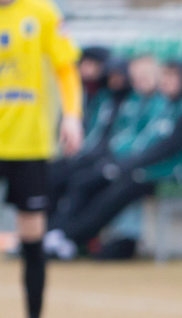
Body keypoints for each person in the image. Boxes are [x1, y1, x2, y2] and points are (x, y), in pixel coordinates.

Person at [0, 0, 82, 318]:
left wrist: (71, 115)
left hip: (29, 145)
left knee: (32, 238)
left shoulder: (42, 12)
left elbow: (66, 70)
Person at [46, 60, 182, 257]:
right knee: (87, 180)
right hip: (140, 169)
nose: (168, 81)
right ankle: (59, 233)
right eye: (166, 76)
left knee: (117, 188)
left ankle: (71, 237)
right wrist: (123, 164)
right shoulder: (164, 108)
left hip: (168, 175)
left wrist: (127, 165)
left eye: (174, 77)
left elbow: (167, 150)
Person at [47, 53, 159, 247]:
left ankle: (69, 238)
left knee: (88, 185)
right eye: (137, 75)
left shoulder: (157, 105)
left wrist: (119, 165)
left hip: (140, 170)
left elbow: (154, 146)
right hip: (117, 162)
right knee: (58, 175)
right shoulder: (122, 101)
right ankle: (52, 234)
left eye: (145, 75)